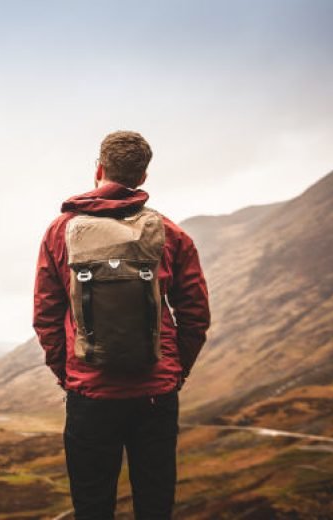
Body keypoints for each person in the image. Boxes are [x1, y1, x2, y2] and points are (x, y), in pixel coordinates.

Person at [33, 131, 210, 520]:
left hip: (90, 395)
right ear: (143, 177)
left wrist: (70, 375)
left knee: (93, 507)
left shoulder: (60, 231)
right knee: (154, 505)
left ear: (98, 168)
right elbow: (195, 315)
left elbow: (45, 317)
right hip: (155, 395)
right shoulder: (172, 234)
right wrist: (174, 372)